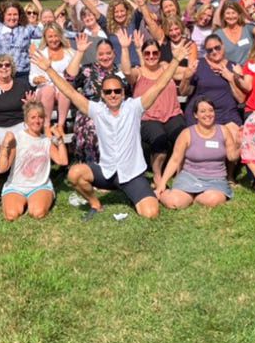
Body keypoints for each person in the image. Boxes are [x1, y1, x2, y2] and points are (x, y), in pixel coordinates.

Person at [31, 41, 191, 220]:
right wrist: (49, 69)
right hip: (107, 172)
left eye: (116, 91)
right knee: (75, 174)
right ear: (103, 95)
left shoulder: (134, 107)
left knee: (151, 213)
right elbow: (71, 93)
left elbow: (159, 85)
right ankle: (95, 202)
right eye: (108, 92)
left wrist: (176, 60)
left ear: (123, 93)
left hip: (131, 174)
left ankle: (140, 190)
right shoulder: (97, 110)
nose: (113, 94)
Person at [120, 32, 188, 187]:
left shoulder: (166, 67)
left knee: (182, 135)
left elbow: (186, 71)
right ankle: (158, 175)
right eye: (147, 53)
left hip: (172, 114)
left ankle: (180, 173)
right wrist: (125, 48)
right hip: (148, 118)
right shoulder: (139, 72)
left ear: (160, 53)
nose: (151, 56)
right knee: (160, 138)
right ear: (143, 55)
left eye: (155, 52)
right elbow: (126, 72)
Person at [156, 97, 239, 209]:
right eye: (203, 111)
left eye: (211, 110)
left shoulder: (224, 131)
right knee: (174, 202)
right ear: (196, 115)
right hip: (190, 177)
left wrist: (242, 145)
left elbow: (232, 157)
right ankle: (168, 194)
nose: (208, 114)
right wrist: (162, 183)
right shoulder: (187, 133)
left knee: (213, 200)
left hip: (216, 179)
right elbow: (175, 160)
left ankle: (194, 197)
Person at [0, 101, 69, 221]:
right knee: (11, 215)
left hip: (40, 186)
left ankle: (36, 201)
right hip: (16, 186)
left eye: (40, 117)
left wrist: (60, 140)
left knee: (38, 213)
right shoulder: (17, 138)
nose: (37, 121)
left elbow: (63, 161)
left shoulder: (46, 141)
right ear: (26, 120)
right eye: (33, 117)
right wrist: (5, 145)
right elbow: (1, 168)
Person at [65, 35, 126, 163]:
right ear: (96, 55)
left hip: (113, 113)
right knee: (92, 127)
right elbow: (69, 77)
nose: (105, 57)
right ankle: (91, 168)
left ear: (114, 53)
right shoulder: (88, 70)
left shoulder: (120, 71)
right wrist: (80, 52)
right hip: (89, 113)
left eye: (108, 53)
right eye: (101, 54)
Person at [179, 34, 245, 128]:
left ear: (223, 46)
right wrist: (186, 77)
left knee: (233, 137)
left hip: (227, 115)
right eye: (210, 50)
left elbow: (241, 99)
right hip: (202, 115)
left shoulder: (234, 67)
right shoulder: (198, 65)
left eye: (217, 48)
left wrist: (230, 79)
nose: (214, 52)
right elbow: (183, 92)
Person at [0, 54, 34, 148]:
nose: (4, 67)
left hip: (19, 124)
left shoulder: (22, 84)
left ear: (11, 67)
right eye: (0, 65)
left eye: (7, 65)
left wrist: (30, 105)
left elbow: (32, 108)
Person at [29, 23, 76, 132]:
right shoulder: (40, 53)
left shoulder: (69, 52)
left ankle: (61, 125)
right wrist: (36, 79)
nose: (54, 39)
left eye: (56, 36)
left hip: (63, 89)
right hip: (45, 88)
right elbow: (32, 77)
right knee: (48, 90)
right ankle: (46, 126)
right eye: (50, 36)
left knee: (65, 89)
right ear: (45, 38)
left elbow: (75, 73)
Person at [214, 0, 255, 65]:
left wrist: (253, 14)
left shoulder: (247, 28)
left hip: (249, 71)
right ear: (223, 16)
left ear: (238, 14)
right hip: (229, 72)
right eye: (228, 13)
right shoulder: (218, 34)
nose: (231, 16)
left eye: (233, 13)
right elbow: (214, 56)